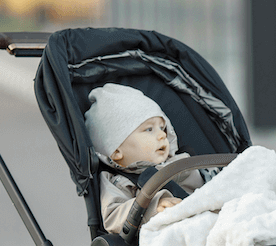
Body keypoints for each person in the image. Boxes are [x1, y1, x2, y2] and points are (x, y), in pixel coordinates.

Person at [84, 83, 204, 234]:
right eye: (149, 129)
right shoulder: (119, 183)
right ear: (116, 151)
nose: (162, 135)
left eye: (162, 127)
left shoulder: (181, 162)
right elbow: (113, 216)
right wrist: (154, 207)